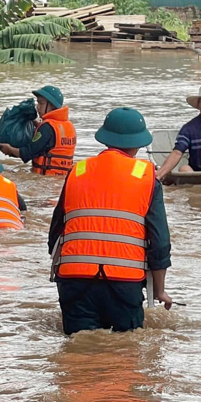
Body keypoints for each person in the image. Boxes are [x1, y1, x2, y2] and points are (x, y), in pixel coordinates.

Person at [49, 107, 173, 334]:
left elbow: (55, 232)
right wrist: (160, 289)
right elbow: (159, 241)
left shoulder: (77, 171)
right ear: (138, 143)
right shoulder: (146, 178)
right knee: (125, 357)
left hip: (74, 280)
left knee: (79, 354)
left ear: (105, 138)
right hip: (124, 283)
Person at [0, 85, 76, 176]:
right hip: (62, 177)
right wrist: (34, 122)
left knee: (4, 172)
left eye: (41, 104)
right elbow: (50, 138)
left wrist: (10, 149)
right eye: (37, 103)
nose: (38, 107)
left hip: (45, 178)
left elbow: (28, 153)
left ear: (52, 106)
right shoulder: (68, 125)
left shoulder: (47, 128)